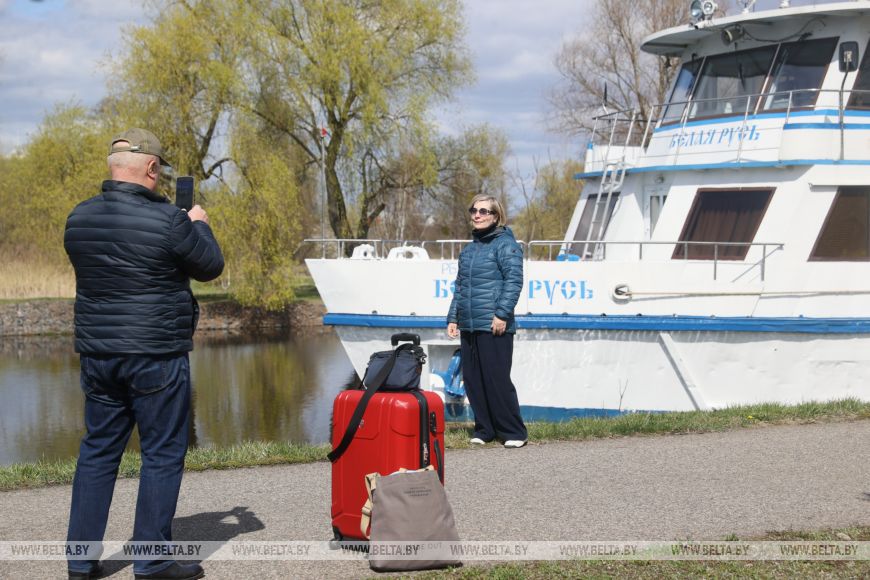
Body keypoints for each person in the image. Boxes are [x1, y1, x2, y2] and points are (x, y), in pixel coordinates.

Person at [64, 128, 224, 580]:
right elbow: (210, 266)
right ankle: (152, 561)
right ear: (151, 169)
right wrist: (198, 223)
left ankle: (80, 561)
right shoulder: (170, 222)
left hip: (98, 355)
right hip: (156, 354)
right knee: (161, 453)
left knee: (97, 452)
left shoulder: (78, 219)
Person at [446, 194, 528, 448]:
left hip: (494, 323)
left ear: (496, 216)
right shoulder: (469, 250)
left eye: (484, 211)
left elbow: (514, 282)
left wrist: (502, 314)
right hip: (469, 323)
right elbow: (461, 287)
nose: (477, 215)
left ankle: (514, 432)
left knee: (497, 378)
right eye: (474, 210)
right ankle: (485, 429)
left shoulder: (506, 245)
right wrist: (453, 318)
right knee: (473, 379)